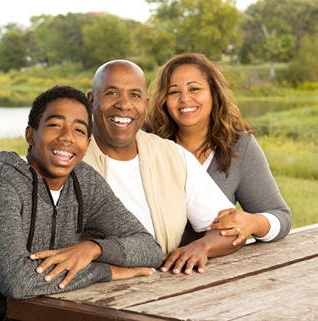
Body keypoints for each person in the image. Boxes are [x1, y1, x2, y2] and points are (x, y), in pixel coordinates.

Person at [0, 85, 163, 320]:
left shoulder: (84, 182)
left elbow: (150, 249)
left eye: (78, 130)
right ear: (30, 135)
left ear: (86, 146)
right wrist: (107, 271)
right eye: (55, 125)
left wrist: (94, 249)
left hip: (48, 313)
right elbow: (17, 282)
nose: (67, 136)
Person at [83, 59, 243, 276]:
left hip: (165, 289)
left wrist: (201, 246)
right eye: (112, 93)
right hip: (91, 293)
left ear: (145, 104)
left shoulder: (174, 157)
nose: (124, 104)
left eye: (135, 95)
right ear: (91, 100)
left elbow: (231, 229)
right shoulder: (69, 159)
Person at [146, 52, 291, 246]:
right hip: (147, 268)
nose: (184, 99)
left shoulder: (239, 146)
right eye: (174, 92)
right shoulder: (147, 138)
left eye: (194, 89)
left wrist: (251, 223)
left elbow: (281, 217)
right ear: (164, 99)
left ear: (214, 93)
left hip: (210, 268)